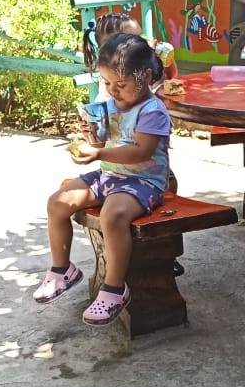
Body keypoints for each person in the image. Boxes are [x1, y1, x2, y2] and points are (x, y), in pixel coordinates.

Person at [33, 34, 172, 327]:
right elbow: (103, 141)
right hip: (109, 175)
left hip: (143, 182)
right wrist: (91, 135)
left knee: (112, 215)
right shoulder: (111, 105)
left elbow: (140, 151)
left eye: (120, 85)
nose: (113, 91)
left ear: (145, 76)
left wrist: (97, 153)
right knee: (58, 202)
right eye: (107, 84)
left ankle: (114, 288)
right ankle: (62, 270)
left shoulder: (153, 110)